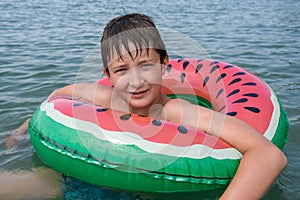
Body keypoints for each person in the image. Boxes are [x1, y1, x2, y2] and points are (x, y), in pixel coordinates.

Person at [8, 13, 287, 199]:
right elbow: (59, 95)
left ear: (165, 65)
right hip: (79, 179)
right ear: (108, 76)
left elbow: (268, 154)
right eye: (122, 70)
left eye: (146, 65)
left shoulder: (178, 112)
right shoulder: (107, 98)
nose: (136, 80)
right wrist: (20, 133)